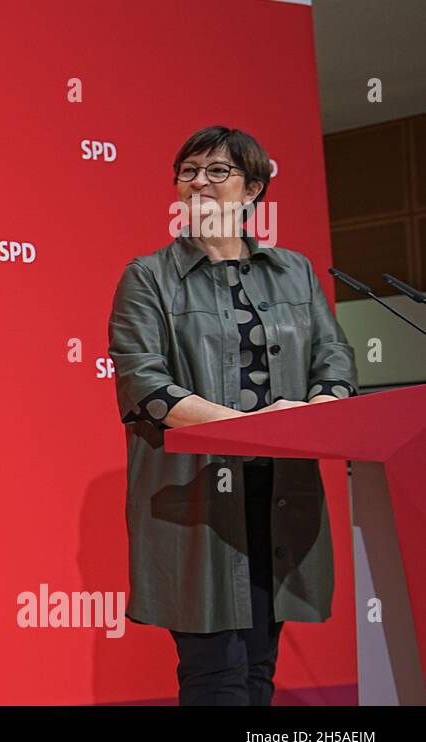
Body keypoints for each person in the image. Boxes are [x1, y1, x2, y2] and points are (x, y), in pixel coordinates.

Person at [107, 126, 358, 706]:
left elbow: (335, 358)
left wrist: (320, 413)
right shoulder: (148, 276)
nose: (199, 182)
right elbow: (144, 383)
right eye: (188, 171)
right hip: (195, 498)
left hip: (279, 496)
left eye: (218, 171)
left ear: (253, 188)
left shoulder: (294, 271)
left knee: (257, 673)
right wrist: (251, 428)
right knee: (215, 678)